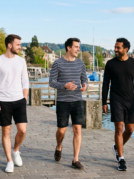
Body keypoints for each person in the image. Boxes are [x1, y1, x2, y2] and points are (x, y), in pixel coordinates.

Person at [102, 38, 134, 171]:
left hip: (130, 100)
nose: (115, 50)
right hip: (116, 100)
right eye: (115, 47)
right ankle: (121, 159)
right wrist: (104, 102)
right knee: (119, 128)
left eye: (118, 48)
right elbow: (105, 84)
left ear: (126, 49)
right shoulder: (110, 64)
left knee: (130, 129)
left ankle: (116, 147)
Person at [0, 34, 29, 173]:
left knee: (22, 130)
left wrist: (25, 97)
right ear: (9, 45)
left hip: (19, 100)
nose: (20, 47)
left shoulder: (21, 61)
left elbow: (25, 80)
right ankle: (9, 161)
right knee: (6, 132)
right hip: (3, 101)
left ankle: (16, 150)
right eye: (18, 44)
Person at [49, 38, 88, 170]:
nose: (78, 49)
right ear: (68, 48)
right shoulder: (57, 63)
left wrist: (85, 86)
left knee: (77, 129)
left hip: (77, 100)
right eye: (76, 47)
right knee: (61, 130)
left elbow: (85, 80)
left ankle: (75, 159)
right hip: (63, 102)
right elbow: (52, 82)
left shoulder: (81, 64)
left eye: (79, 47)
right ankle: (59, 146)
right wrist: (64, 86)